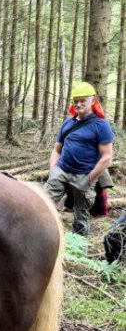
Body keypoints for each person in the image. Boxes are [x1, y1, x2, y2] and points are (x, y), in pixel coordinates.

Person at [44, 82, 114, 236]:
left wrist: (90, 178)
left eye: (83, 100)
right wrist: (53, 170)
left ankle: (78, 251)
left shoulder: (101, 125)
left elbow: (107, 157)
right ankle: (48, 237)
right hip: (61, 171)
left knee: (81, 216)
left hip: (84, 175)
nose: (78, 104)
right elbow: (56, 150)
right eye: (76, 100)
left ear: (93, 100)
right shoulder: (68, 123)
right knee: (45, 205)